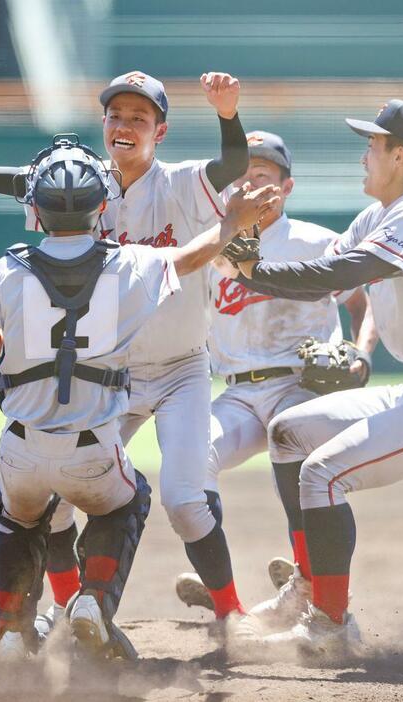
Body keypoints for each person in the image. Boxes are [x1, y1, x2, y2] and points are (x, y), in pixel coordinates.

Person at [0, 137, 277, 662]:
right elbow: (191, 259)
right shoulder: (126, 264)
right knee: (127, 504)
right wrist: (232, 223)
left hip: (20, 448)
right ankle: (94, 601)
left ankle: (12, 629)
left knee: (15, 520)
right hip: (92, 450)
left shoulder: (3, 271)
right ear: (102, 206)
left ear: (34, 209)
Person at [220, 100, 403, 658]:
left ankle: (329, 624)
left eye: (372, 144)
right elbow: (321, 278)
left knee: (322, 473)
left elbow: (344, 272)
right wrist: (245, 238)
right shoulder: (382, 215)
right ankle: (305, 589)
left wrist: (250, 266)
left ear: (399, 155)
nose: (364, 153)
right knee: (288, 431)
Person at [27, 70, 253, 631]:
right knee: (56, 502)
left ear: (161, 131)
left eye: (139, 118)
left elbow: (232, 168)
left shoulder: (180, 183)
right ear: (102, 124)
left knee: (183, 501)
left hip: (181, 371)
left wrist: (228, 115)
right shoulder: (82, 190)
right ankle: (63, 607)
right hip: (111, 374)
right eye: (115, 115)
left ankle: (232, 614)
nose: (124, 125)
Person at [173, 131, 378, 623]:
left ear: (287, 187)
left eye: (262, 175)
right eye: (241, 176)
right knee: (190, 462)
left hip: (300, 382)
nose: (250, 184)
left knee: (296, 450)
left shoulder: (316, 240)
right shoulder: (212, 247)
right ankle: (229, 607)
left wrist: (359, 351)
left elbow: (362, 304)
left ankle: (307, 579)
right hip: (238, 393)